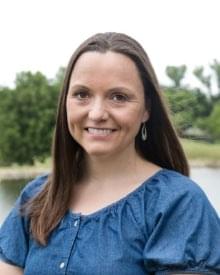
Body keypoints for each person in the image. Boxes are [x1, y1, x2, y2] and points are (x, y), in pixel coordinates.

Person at [0, 32, 220, 275]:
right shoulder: (36, 197)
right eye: (82, 94)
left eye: (118, 97)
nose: (96, 113)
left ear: (147, 108)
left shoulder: (178, 204)